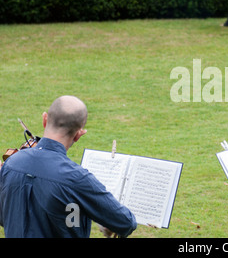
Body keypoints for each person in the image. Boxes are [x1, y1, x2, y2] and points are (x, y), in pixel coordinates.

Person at [0, 95, 137, 238]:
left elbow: (6, 217)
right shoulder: (77, 178)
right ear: (79, 134)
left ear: (45, 120)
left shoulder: (11, 164)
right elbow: (126, 222)